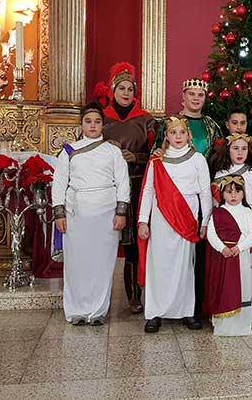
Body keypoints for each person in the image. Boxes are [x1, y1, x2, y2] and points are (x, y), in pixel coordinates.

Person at [52, 103, 130, 326]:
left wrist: (121, 212)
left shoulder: (113, 152)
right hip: (76, 213)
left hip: (106, 215)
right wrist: (59, 213)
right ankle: (76, 310)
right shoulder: (69, 151)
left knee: (102, 264)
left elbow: (123, 184)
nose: (93, 125)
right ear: (81, 124)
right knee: (77, 263)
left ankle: (97, 311)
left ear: (103, 125)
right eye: (88, 121)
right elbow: (59, 184)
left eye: (97, 122)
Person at [138, 116, 213, 333]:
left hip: (187, 216)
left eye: (182, 132)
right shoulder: (157, 161)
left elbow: (205, 191)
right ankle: (155, 313)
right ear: (166, 135)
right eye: (173, 132)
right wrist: (143, 221)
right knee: (159, 265)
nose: (178, 137)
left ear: (188, 135)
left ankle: (186, 311)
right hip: (161, 217)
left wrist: (205, 220)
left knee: (184, 266)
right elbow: (148, 192)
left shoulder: (198, 159)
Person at [99, 62, 158, 315]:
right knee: (104, 241)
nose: (126, 93)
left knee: (133, 242)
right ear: (112, 91)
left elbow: (157, 154)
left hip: (136, 184)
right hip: (106, 187)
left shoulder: (146, 120)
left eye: (130, 89)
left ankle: (135, 296)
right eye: (121, 88)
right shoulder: (100, 118)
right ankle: (97, 295)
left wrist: (136, 158)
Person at [211, 134, 252, 323]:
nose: (240, 152)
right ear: (228, 150)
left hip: (251, 225)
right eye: (235, 148)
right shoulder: (220, 174)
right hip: (229, 230)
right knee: (233, 270)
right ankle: (233, 310)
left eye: (244, 148)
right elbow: (216, 202)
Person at [203, 175, 252, 336]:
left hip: (240, 257)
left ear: (243, 193)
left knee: (242, 288)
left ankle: (242, 326)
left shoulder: (247, 212)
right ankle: (223, 326)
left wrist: (240, 247)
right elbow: (212, 234)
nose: (233, 196)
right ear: (222, 194)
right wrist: (222, 248)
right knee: (223, 287)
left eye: (237, 191)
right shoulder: (218, 213)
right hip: (223, 258)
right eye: (229, 192)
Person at [153, 78, 222, 158]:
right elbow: (156, 150)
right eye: (191, 94)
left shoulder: (212, 125)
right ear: (184, 96)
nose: (196, 98)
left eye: (200, 95)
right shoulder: (169, 122)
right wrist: (158, 153)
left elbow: (219, 156)